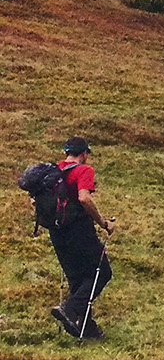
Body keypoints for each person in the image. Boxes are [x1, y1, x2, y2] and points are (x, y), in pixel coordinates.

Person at [46, 138, 111, 339]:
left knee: (78, 278)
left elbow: (35, 200)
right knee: (102, 273)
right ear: (84, 153)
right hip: (79, 229)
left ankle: (87, 328)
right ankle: (70, 309)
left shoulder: (53, 172)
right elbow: (84, 197)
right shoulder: (83, 171)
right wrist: (102, 222)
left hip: (56, 231)